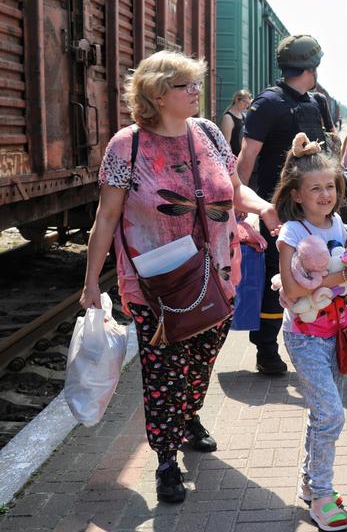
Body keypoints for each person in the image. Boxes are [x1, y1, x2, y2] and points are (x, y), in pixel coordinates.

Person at [79, 51, 278, 503]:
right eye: (185, 85)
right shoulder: (125, 146)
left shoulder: (208, 133)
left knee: (202, 361)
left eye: (196, 83)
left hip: (219, 273)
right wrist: (93, 282)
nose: (197, 92)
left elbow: (233, 187)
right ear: (155, 94)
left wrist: (261, 206)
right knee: (165, 372)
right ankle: (166, 458)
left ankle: (189, 417)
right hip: (157, 284)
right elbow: (106, 218)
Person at [272, 134, 347, 531]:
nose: (325, 194)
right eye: (315, 188)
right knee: (331, 415)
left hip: (335, 330)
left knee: (321, 414)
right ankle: (322, 496)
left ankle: (312, 484)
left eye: (330, 186)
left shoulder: (339, 223)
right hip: (305, 335)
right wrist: (343, 274)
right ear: (297, 194)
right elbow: (292, 289)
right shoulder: (291, 232)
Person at [238, 34, 336, 375]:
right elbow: (247, 156)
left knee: (317, 273)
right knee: (273, 279)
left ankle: (316, 339)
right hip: (275, 210)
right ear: (312, 65)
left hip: (310, 209)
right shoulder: (268, 103)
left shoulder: (314, 103)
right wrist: (242, 205)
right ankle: (266, 348)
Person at [218, 89, 251, 156]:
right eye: (244, 102)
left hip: (241, 156)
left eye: (248, 104)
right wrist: (231, 160)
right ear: (237, 99)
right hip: (233, 157)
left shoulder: (243, 116)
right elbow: (226, 142)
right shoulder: (228, 117)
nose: (246, 105)